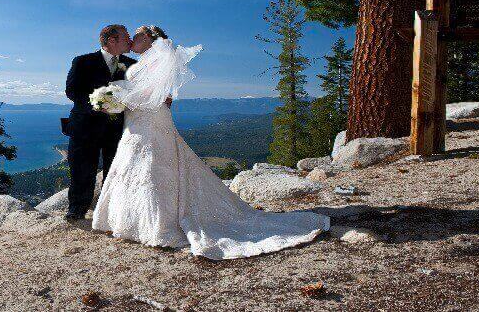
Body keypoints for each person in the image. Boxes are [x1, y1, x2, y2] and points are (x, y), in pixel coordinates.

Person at [91, 25, 330, 259]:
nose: (132, 40)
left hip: (151, 119)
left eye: (137, 36)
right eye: (130, 37)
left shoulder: (160, 59)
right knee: (133, 164)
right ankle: (129, 220)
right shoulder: (140, 62)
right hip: (136, 121)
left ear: (151, 39)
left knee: (155, 166)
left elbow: (155, 93)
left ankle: (158, 224)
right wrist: (119, 98)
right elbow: (151, 92)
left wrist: (119, 97)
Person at [63, 25, 137, 221]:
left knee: (115, 169)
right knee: (82, 168)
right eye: (126, 37)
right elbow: (73, 92)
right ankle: (77, 208)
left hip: (117, 127)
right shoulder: (83, 61)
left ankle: (109, 210)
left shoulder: (131, 65)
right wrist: (98, 103)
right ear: (112, 40)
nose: (130, 41)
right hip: (85, 126)